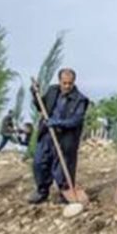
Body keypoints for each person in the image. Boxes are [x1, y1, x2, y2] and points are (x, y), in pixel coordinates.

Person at [28, 68, 90, 204]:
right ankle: (41, 192)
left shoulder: (80, 100)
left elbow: (76, 120)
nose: (67, 86)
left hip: (65, 139)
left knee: (62, 169)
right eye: (64, 83)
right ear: (59, 81)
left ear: (74, 82)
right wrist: (34, 94)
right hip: (47, 135)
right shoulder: (52, 91)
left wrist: (57, 123)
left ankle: (65, 195)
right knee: (39, 163)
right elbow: (41, 106)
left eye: (70, 83)